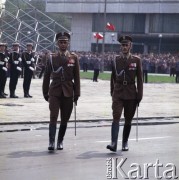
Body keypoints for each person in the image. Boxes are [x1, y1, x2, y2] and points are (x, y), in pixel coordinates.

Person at [42, 32, 80, 151]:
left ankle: (60, 140)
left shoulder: (73, 57)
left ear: (68, 44)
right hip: (55, 90)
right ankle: (51, 141)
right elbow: (47, 76)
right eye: (61, 42)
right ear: (57, 43)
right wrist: (45, 92)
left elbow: (77, 77)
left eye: (65, 42)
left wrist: (77, 93)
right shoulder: (52, 57)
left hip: (68, 91)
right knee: (53, 116)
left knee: (65, 118)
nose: (63, 44)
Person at [106, 35, 143, 152]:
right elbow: (112, 77)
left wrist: (139, 95)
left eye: (126, 45)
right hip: (118, 91)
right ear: (120, 46)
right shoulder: (115, 60)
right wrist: (112, 91)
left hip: (131, 92)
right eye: (122, 45)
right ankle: (113, 143)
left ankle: (125, 142)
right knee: (116, 116)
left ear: (130, 46)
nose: (124, 47)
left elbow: (140, 80)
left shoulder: (136, 60)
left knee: (128, 119)